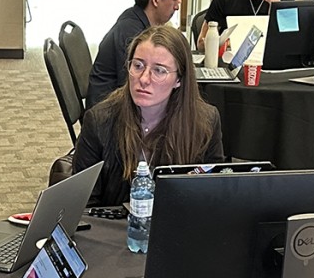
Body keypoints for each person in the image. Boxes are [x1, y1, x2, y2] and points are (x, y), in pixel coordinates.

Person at [73, 25, 224, 206]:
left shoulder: (205, 121)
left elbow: (214, 195)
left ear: (179, 80)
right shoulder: (99, 121)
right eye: (138, 66)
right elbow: (83, 205)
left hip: (178, 227)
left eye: (159, 70)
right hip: (115, 229)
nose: (144, 79)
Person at [85, 0, 182, 109]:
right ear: (156, 0)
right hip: (109, 113)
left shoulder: (133, 18)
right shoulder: (132, 35)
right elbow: (135, 86)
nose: (177, 7)